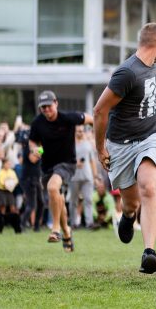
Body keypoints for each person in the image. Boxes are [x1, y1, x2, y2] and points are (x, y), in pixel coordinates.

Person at [93, 23, 156, 274]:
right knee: (131, 203)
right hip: (121, 145)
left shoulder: (153, 65)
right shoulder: (127, 73)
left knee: (149, 186)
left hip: (152, 136)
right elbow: (99, 111)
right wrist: (100, 149)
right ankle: (128, 216)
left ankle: (149, 252)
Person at [28, 90, 94, 252]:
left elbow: (92, 118)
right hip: (47, 167)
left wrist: (99, 136)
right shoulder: (38, 123)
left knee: (52, 188)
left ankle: (55, 228)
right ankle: (67, 232)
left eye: (49, 106)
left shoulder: (68, 118)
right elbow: (33, 142)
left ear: (56, 103)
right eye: (43, 107)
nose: (46, 110)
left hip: (67, 164)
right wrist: (36, 150)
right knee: (57, 198)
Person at [68, 125, 98, 229]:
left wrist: (95, 176)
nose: (80, 133)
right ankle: (73, 223)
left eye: (81, 131)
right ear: (74, 132)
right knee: (73, 201)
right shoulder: (70, 145)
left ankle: (90, 223)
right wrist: (75, 163)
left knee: (88, 200)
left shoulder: (88, 144)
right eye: (78, 131)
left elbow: (92, 161)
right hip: (74, 177)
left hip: (87, 176)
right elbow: (66, 161)